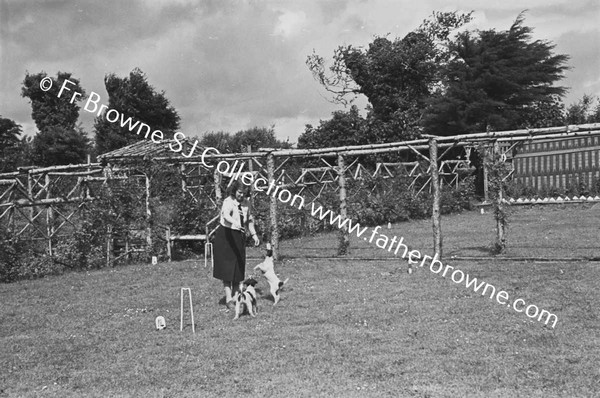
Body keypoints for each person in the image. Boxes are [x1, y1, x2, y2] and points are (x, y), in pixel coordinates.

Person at [212, 180, 260, 310]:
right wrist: (235, 222)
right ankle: (229, 299)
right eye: (239, 192)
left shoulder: (246, 203)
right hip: (226, 236)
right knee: (227, 269)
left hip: (238, 237)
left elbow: (249, 220)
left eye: (244, 193)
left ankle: (236, 296)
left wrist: (254, 234)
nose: (241, 195)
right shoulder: (228, 201)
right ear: (234, 191)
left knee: (238, 268)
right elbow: (226, 215)